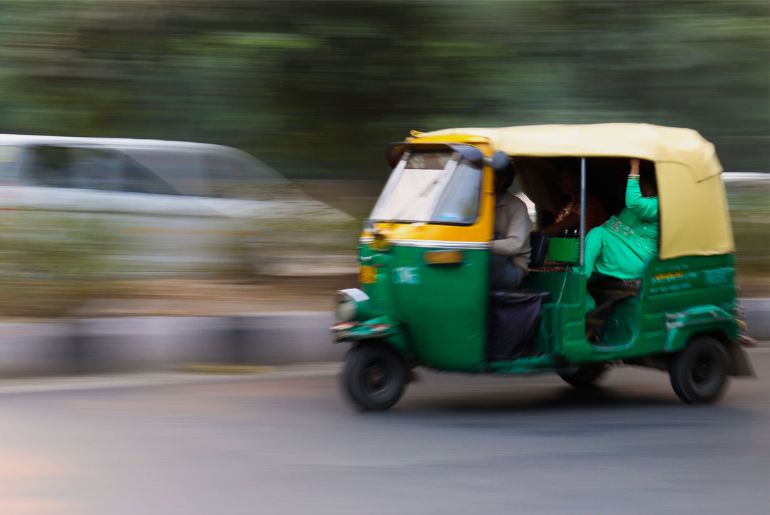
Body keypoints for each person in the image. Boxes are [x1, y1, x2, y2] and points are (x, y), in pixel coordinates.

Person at [583, 158, 658, 309]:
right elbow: (613, 226)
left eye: (641, 183)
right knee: (595, 241)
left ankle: (578, 289)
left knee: (598, 234)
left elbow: (633, 202)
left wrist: (635, 166)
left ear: (649, 185)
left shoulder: (657, 204)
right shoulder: (637, 209)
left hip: (637, 259)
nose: (638, 187)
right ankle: (583, 291)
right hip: (622, 254)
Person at [491, 163, 531, 290]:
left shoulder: (517, 206)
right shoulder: (481, 203)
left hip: (512, 268)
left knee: (485, 262)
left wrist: (481, 245)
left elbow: (515, 245)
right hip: (491, 260)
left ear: (504, 179)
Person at [539, 168, 606, 236]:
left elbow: (561, 227)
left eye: (565, 178)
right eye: (560, 179)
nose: (561, 182)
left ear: (578, 179)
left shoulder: (588, 202)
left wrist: (531, 234)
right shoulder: (568, 206)